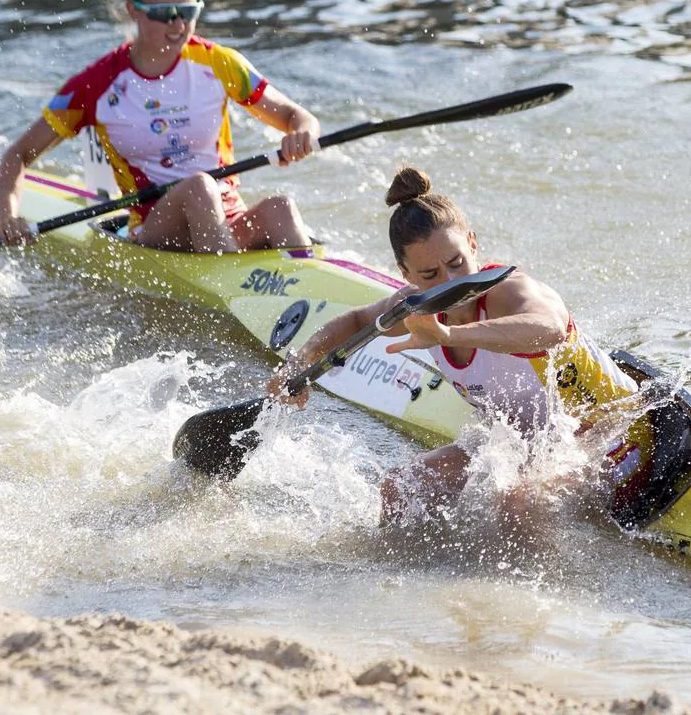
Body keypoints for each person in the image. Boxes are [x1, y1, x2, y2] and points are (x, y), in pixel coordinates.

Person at [268, 166, 641, 527]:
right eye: (430, 275)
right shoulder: (412, 307)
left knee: (516, 499)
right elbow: (353, 323)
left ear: (473, 246)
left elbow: (552, 329)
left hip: (615, 429)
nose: (450, 283)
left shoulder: (511, 291)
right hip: (527, 443)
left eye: (457, 263)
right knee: (400, 489)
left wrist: (448, 337)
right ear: (406, 276)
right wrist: (298, 362)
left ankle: (527, 593)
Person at [0, 0, 321, 253]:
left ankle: (310, 289)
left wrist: (302, 133)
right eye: (165, 13)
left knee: (281, 207)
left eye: (189, 12)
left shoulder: (220, 63)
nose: (178, 25)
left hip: (226, 217)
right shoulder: (96, 85)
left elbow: (296, 117)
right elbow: (18, 155)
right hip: (155, 229)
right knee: (199, 188)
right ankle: (233, 290)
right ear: (133, 10)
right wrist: (7, 216)